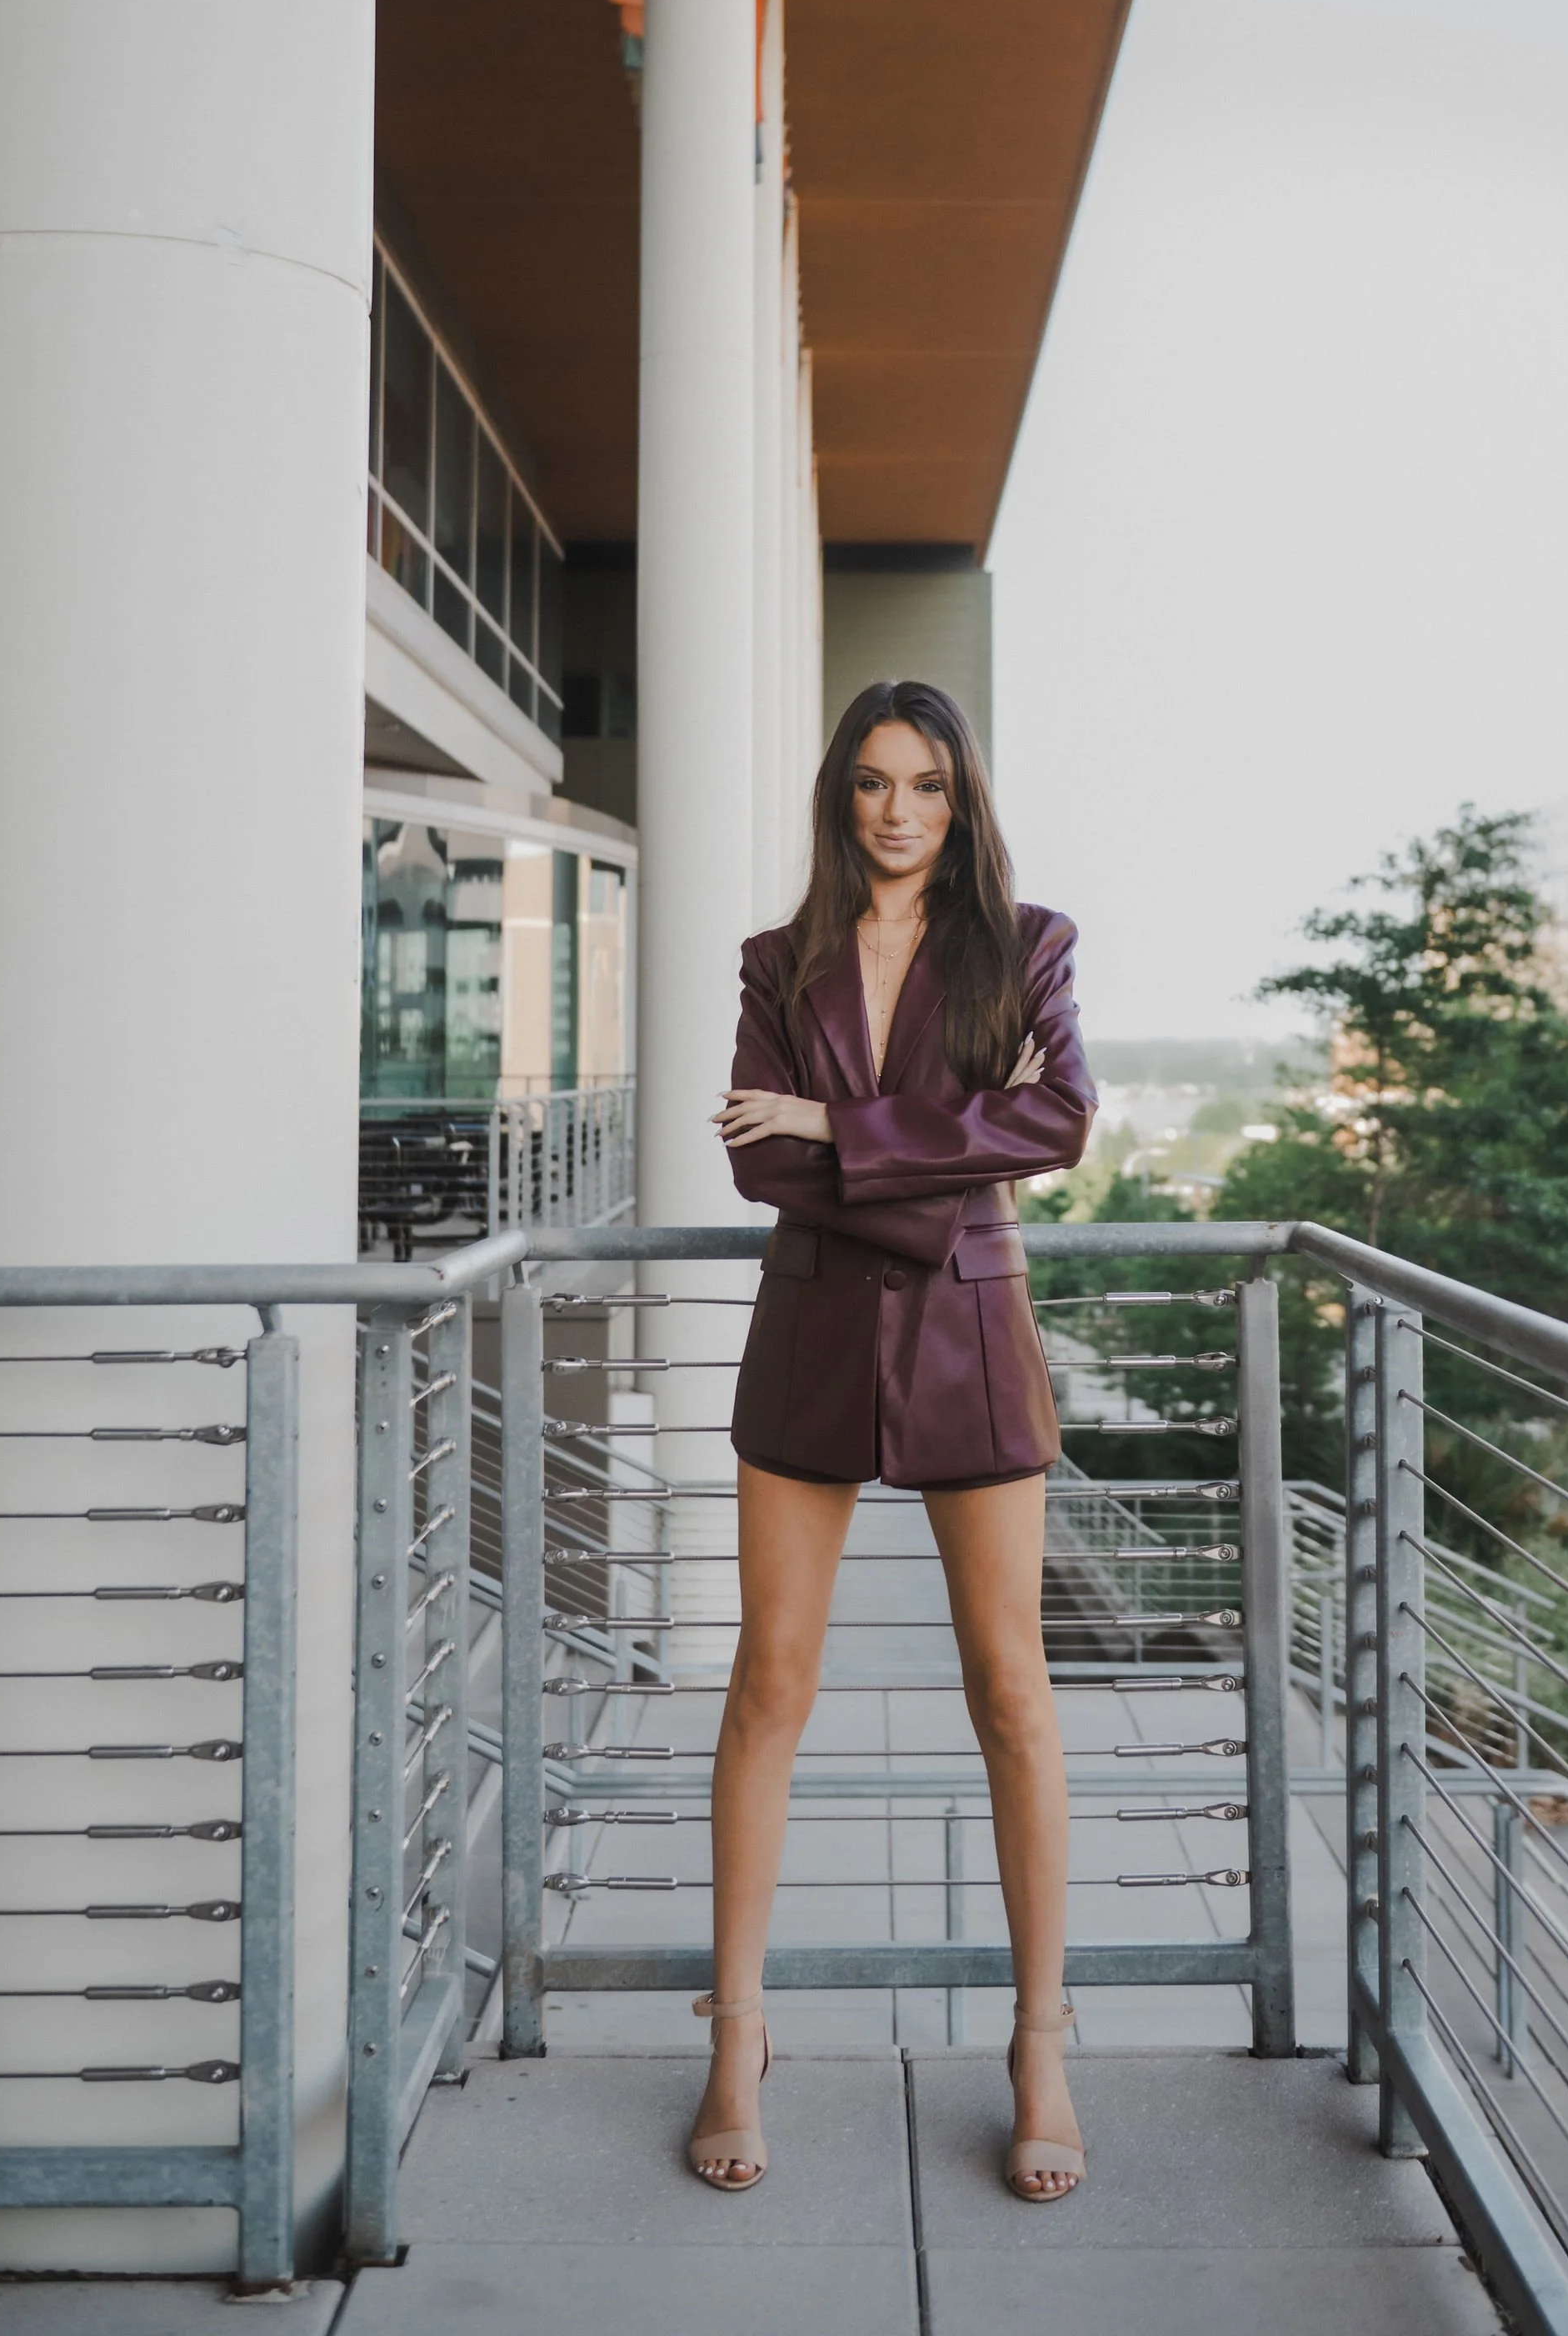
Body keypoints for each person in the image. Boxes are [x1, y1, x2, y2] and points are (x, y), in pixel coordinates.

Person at [690, 678, 1096, 2203]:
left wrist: (841, 1134)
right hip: (808, 1335)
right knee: (767, 1686)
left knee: (1012, 1694)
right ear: (838, 797)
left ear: (961, 798)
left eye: (925, 784)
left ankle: (1038, 2044)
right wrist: (927, 1158)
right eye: (871, 783)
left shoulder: (1027, 945)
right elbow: (748, 1159)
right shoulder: (775, 960)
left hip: (971, 1344)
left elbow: (1061, 1123)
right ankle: (738, 2036)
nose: (898, 811)